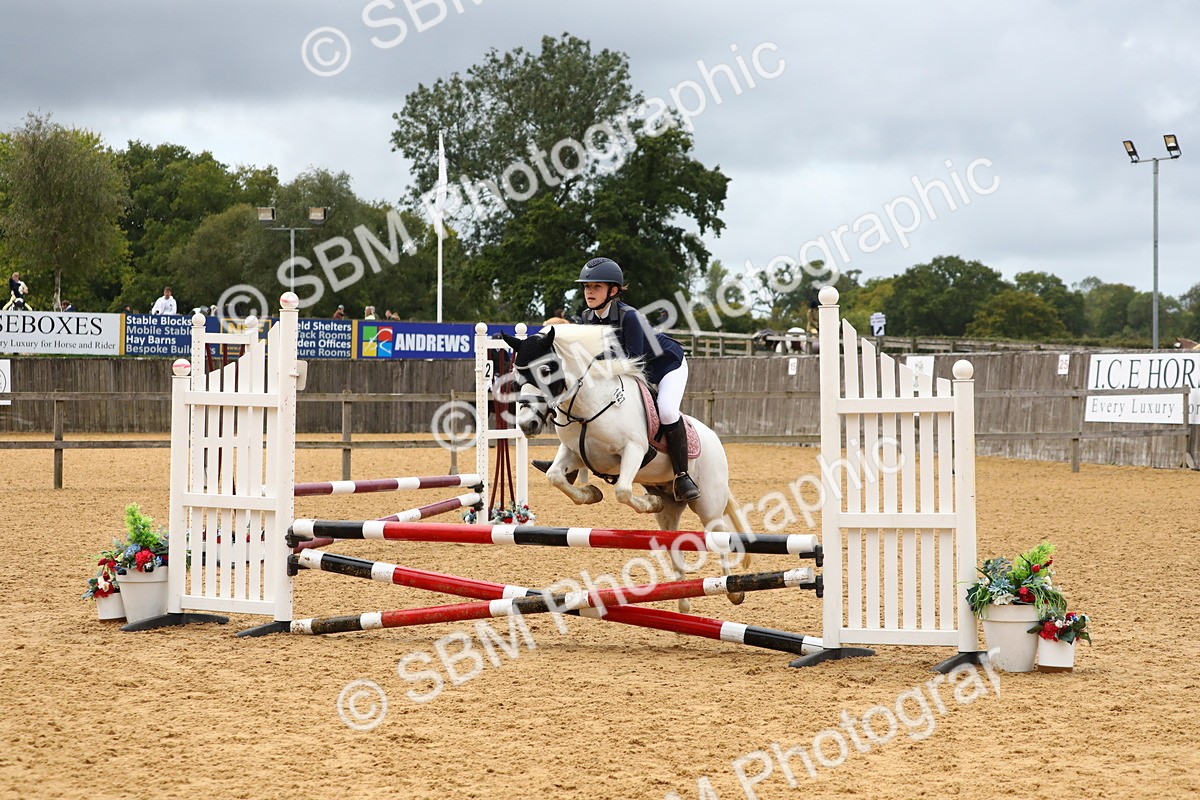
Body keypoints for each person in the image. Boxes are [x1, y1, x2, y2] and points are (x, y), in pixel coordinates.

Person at [576, 256, 699, 501]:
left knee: (666, 411)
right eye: (587, 287)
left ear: (613, 290)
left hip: (665, 366)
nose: (589, 292)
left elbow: (633, 358)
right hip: (631, 369)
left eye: (596, 287)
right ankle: (571, 457)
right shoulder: (587, 317)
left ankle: (682, 475)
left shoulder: (629, 316)